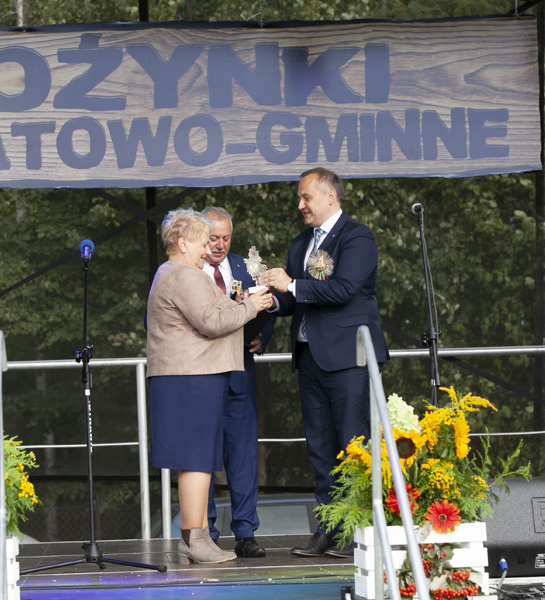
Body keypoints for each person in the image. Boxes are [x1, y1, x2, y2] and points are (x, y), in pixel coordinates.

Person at [260, 167, 389, 558]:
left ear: (330, 196)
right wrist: (265, 299)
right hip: (310, 358)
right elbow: (294, 299)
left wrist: (290, 284)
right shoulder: (301, 243)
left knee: (354, 445)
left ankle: (359, 530)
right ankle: (329, 528)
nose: (301, 205)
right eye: (299, 199)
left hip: (349, 357)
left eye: (306, 197)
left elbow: (344, 289)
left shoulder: (357, 236)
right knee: (319, 448)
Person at [146, 208, 273, 564]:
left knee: (198, 460)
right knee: (196, 460)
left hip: (191, 376)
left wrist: (242, 305)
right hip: (190, 376)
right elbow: (212, 321)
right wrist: (252, 306)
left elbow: (217, 311)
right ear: (182, 243)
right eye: (203, 242)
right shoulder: (184, 275)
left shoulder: (174, 273)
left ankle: (198, 536)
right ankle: (194, 537)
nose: (208, 250)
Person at [200, 207, 276, 559]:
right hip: (201, 379)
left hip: (239, 377)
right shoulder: (186, 269)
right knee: (201, 460)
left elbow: (271, 306)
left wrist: (263, 337)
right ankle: (204, 533)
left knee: (244, 460)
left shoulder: (246, 268)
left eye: (226, 238)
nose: (220, 245)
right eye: (214, 238)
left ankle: (245, 533)